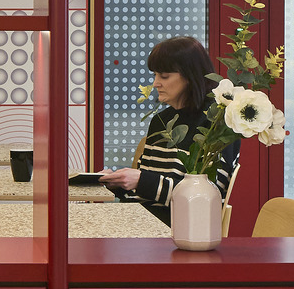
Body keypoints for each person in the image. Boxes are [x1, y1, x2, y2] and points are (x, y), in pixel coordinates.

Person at [100, 35, 237, 227]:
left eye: (164, 76)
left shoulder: (217, 122)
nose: (156, 83)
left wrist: (141, 181)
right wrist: (118, 184)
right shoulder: (161, 121)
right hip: (144, 223)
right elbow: (147, 193)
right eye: (155, 75)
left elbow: (206, 198)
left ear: (190, 76)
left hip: (182, 229)